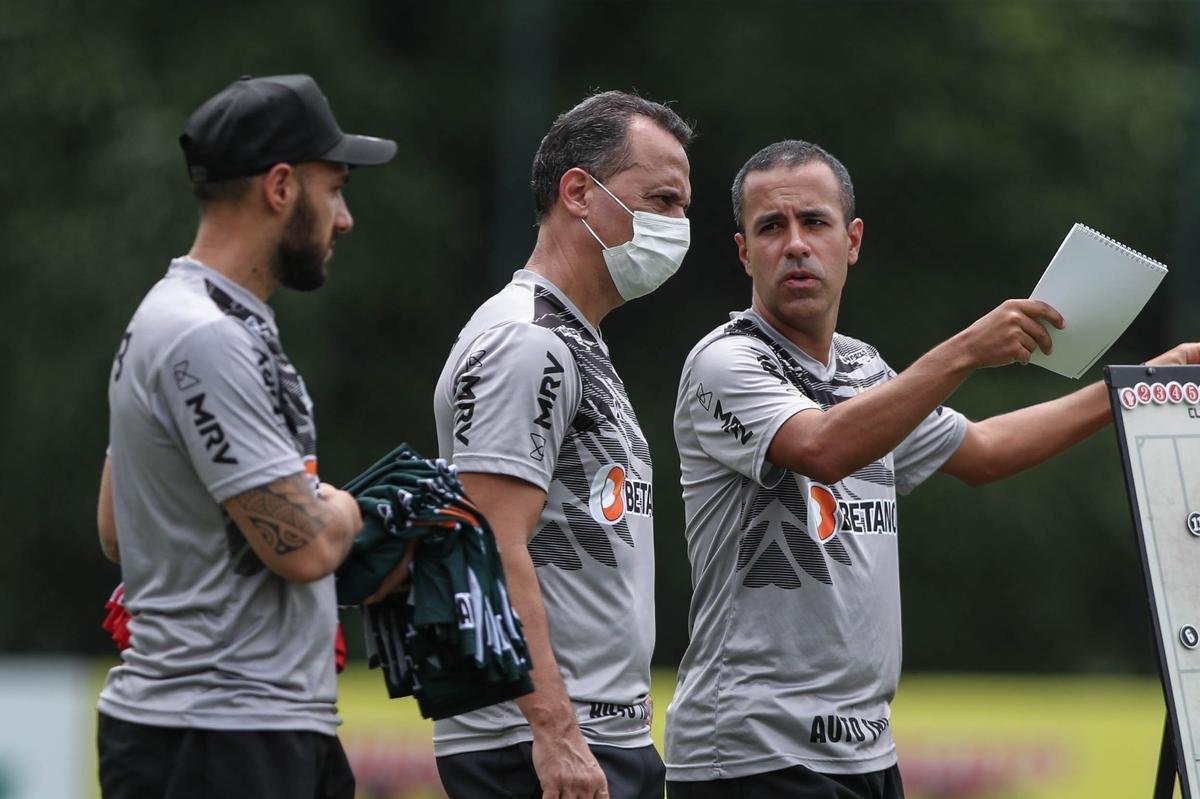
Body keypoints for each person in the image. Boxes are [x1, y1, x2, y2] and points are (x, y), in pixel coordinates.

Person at [663, 139, 1200, 799]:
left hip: (866, 751)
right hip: (754, 754)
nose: (795, 243)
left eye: (815, 222)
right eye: (771, 226)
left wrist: (1131, 388)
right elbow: (823, 448)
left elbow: (984, 450)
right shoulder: (725, 362)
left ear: (852, 240)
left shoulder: (864, 368)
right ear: (744, 251)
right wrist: (969, 350)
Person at [95, 74, 395, 799]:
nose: (345, 218)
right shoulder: (205, 337)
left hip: (243, 727)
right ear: (282, 186)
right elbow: (305, 544)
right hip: (218, 736)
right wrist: (358, 508)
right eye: (336, 189)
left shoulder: (192, 317)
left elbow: (115, 525)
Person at [429, 90, 692, 799]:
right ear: (579, 192)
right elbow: (488, 539)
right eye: (662, 200)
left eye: (683, 206)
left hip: (603, 736)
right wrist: (556, 733)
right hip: (538, 749)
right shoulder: (528, 339)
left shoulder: (578, 340)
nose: (678, 225)